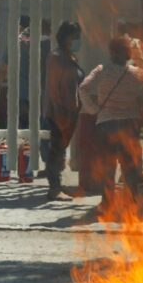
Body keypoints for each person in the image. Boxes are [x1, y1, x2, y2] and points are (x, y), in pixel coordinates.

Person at [79, 37, 143, 208]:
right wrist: (141, 103)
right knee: (130, 165)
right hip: (129, 124)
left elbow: (83, 87)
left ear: (111, 52)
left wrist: (92, 109)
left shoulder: (101, 70)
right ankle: (133, 201)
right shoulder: (136, 73)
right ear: (127, 53)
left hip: (105, 123)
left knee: (107, 165)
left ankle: (107, 202)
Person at [43, 21, 84, 201]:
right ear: (66, 36)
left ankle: (57, 185)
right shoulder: (56, 56)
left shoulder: (70, 56)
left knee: (61, 150)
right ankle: (54, 188)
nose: (78, 40)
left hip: (70, 111)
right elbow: (53, 88)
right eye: (75, 36)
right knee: (56, 149)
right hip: (59, 112)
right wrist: (61, 114)